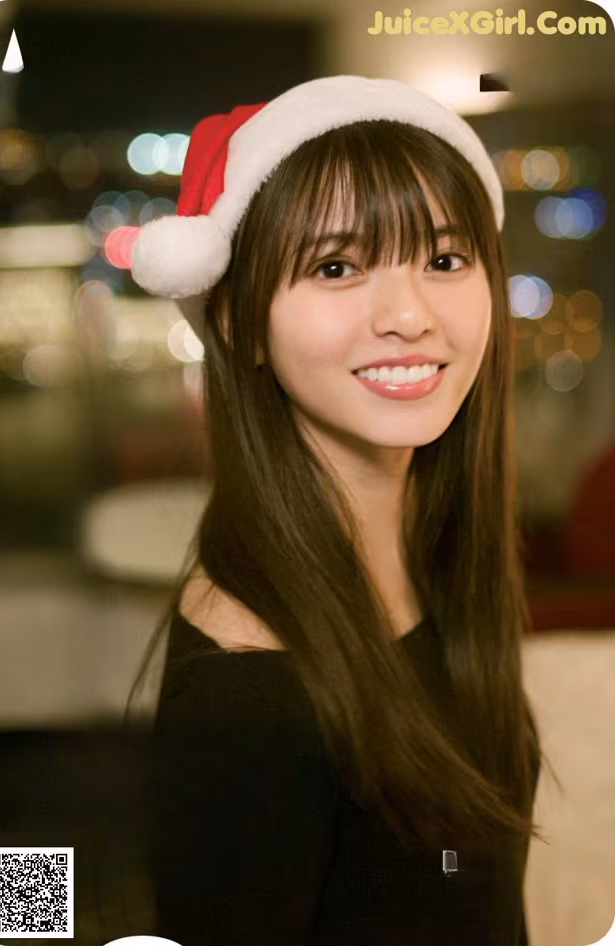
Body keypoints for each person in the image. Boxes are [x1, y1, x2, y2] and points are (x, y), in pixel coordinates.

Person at [127, 74, 553, 945]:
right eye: (336, 266)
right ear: (240, 320)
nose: (409, 315)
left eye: (444, 259)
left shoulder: (428, 552)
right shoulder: (250, 696)